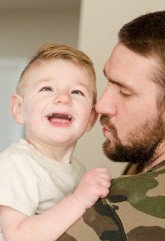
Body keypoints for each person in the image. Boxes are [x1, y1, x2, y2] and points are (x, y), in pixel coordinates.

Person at [57, 10, 165, 241]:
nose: (101, 105)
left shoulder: (115, 209)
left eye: (124, 92)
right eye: (107, 82)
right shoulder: (136, 167)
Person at [0, 44, 111, 241]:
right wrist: (79, 199)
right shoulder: (15, 164)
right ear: (19, 108)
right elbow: (16, 237)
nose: (63, 98)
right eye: (47, 88)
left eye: (77, 92)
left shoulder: (79, 172)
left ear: (91, 119)